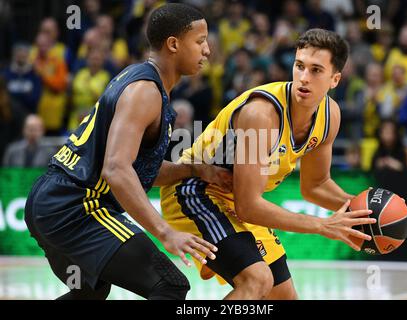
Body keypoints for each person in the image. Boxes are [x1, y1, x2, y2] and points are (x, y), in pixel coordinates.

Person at [24, 4, 232, 300]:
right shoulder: (145, 92)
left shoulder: (140, 80)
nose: (208, 50)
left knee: (90, 294)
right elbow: (117, 169)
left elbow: (137, 169)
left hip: (52, 201)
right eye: (200, 41)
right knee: (169, 285)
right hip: (76, 205)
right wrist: (164, 231)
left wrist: (194, 169)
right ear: (173, 44)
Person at [160, 28, 375, 300]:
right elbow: (249, 207)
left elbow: (316, 186)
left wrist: (361, 212)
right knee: (256, 280)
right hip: (195, 191)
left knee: (284, 297)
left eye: (316, 70)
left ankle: (225, 254)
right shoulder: (261, 115)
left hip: (237, 198)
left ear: (335, 79)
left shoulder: (330, 115)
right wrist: (322, 226)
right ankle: (224, 253)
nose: (304, 78)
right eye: (299, 67)